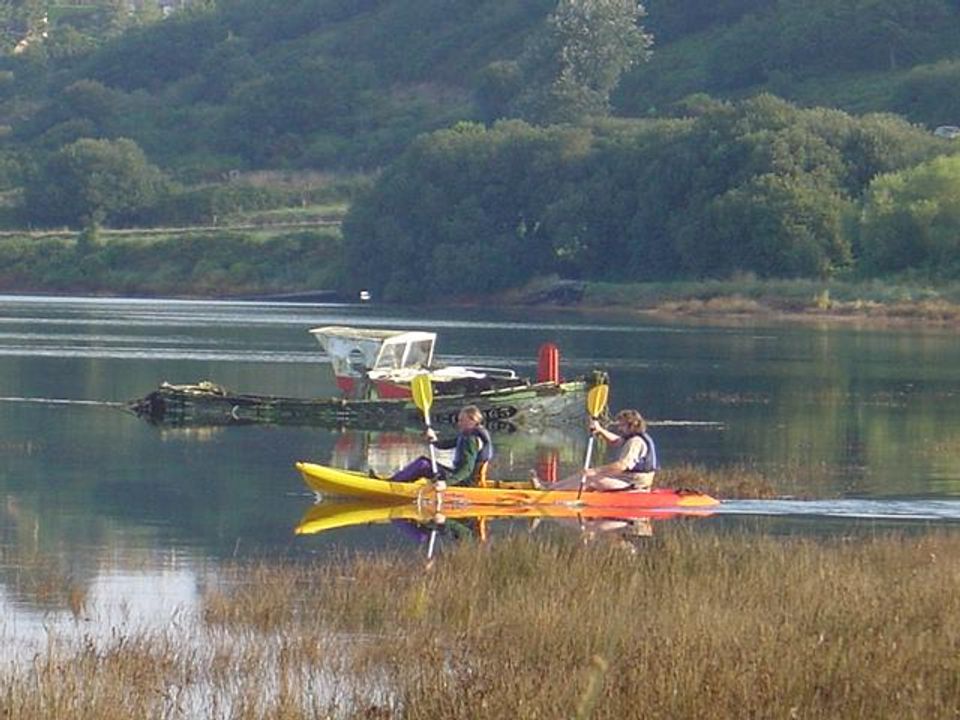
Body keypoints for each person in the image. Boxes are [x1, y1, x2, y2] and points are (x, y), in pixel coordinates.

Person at [542, 409, 658, 492]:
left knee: (590, 478)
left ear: (632, 425)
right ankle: (552, 487)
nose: (619, 428)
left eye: (622, 425)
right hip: (626, 480)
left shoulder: (635, 442)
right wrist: (600, 430)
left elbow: (622, 466)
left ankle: (550, 493)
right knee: (583, 474)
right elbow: (616, 441)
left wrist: (596, 471)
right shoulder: (631, 438)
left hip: (634, 483)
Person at [390, 405, 493, 486]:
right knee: (424, 463)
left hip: (462, 481)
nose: (459, 423)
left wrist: (446, 483)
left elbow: (467, 470)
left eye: (462, 420)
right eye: (459, 420)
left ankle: (393, 483)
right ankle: (396, 481)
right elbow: (445, 445)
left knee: (423, 464)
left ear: (472, 421)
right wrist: (433, 439)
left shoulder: (471, 440)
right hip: (459, 477)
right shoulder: (469, 436)